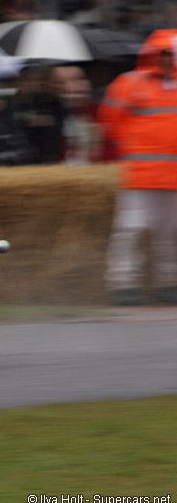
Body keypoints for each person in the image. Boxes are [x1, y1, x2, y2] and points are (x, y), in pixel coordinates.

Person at [96, 33, 177, 306]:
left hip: (171, 175)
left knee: (171, 232)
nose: (167, 59)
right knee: (130, 229)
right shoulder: (130, 82)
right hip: (140, 171)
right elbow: (109, 120)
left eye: (171, 54)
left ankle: (169, 282)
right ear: (154, 53)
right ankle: (123, 283)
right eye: (163, 53)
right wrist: (130, 146)